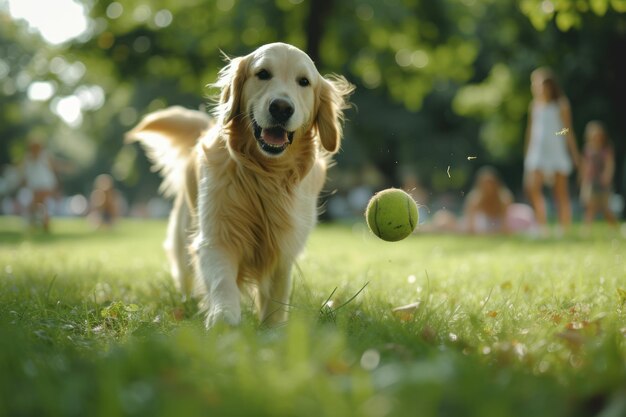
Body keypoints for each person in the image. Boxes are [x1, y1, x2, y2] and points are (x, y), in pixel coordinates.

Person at [524, 67, 580, 236]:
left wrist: (575, 155)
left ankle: (564, 227)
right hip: (538, 153)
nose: (535, 86)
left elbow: (567, 130)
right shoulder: (534, 105)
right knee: (532, 187)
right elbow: (530, 131)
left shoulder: (561, 104)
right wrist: (527, 153)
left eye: (538, 83)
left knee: (560, 192)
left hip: (555, 151)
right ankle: (542, 227)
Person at [580, 121, 618, 230]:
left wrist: (607, 175)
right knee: (590, 207)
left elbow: (610, 164)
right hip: (592, 182)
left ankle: (614, 227)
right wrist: (584, 180)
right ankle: (586, 229)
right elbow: (585, 166)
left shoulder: (606, 150)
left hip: (603, 183)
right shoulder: (588, 150)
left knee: (606, 208)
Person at [20, 140, 58, 232]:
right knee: (40, 205)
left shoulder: (44, 156)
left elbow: (53, 167)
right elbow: (25, 172)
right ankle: (42, 222)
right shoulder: (27, 158)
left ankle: (36, 223)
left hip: (45, 184)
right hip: (35, 185)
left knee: (37, 204)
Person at [463, 166, 513, 234]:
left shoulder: (503, 199)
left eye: (490, 183)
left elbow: (505, 224)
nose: (488, 187)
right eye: (485, 184)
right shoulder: (474, 199)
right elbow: (470, 225)